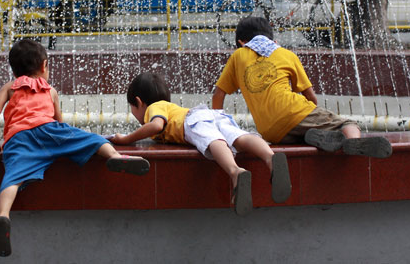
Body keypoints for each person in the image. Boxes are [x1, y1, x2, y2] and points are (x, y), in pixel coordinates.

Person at [0, 39, 150, 257]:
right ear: (43, 66)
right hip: (50, 130)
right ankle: (115, 155)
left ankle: (3, 215)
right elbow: (59, 122)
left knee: (13, 175)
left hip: (19, 138)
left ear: (14, 70)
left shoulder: (10, 87)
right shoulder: (50, 90)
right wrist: (68, 140)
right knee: (91, 139)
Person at [110, 72, 292, 217]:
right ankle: (270, 158)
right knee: (238, 137)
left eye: (132, 109)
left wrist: (126, 139)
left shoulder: (153, 108)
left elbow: (156, 125)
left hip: (193, 120)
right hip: (213, 114)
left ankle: (235, 172)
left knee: (213, 140)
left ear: (139, 102)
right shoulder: (169, 106)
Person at [212, 16, 392, 158]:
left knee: (303, 131)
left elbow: (218, 95)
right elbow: (310, 97)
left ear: (242, 42)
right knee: (347, 123)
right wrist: (314, 112)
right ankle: (354, 142)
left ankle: (311, 135)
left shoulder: (238, 56)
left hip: (271, 132)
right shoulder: (286, 54)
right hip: (295, 112)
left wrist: (219, 126)